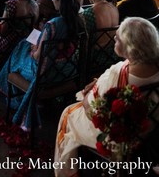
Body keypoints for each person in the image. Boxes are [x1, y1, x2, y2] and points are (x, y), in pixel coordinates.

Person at [54, 17, 159, 176]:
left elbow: (93, 110)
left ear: (130, 47)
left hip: (119, 135)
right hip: (151, 131)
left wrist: (86, 95)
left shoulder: (119, 72)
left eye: (118, 38)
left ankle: (68, 170)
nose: (114, 39)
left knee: (68, 113)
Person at [0, 0, 84, 131]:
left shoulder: (52, 25)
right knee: (22, 46)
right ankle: (9, 87)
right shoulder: (79, 22)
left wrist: (34, 48)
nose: (52, 0)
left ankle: (5, 87)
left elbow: (37, 57)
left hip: (45, 74)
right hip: (68, 71)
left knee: (21, 49)